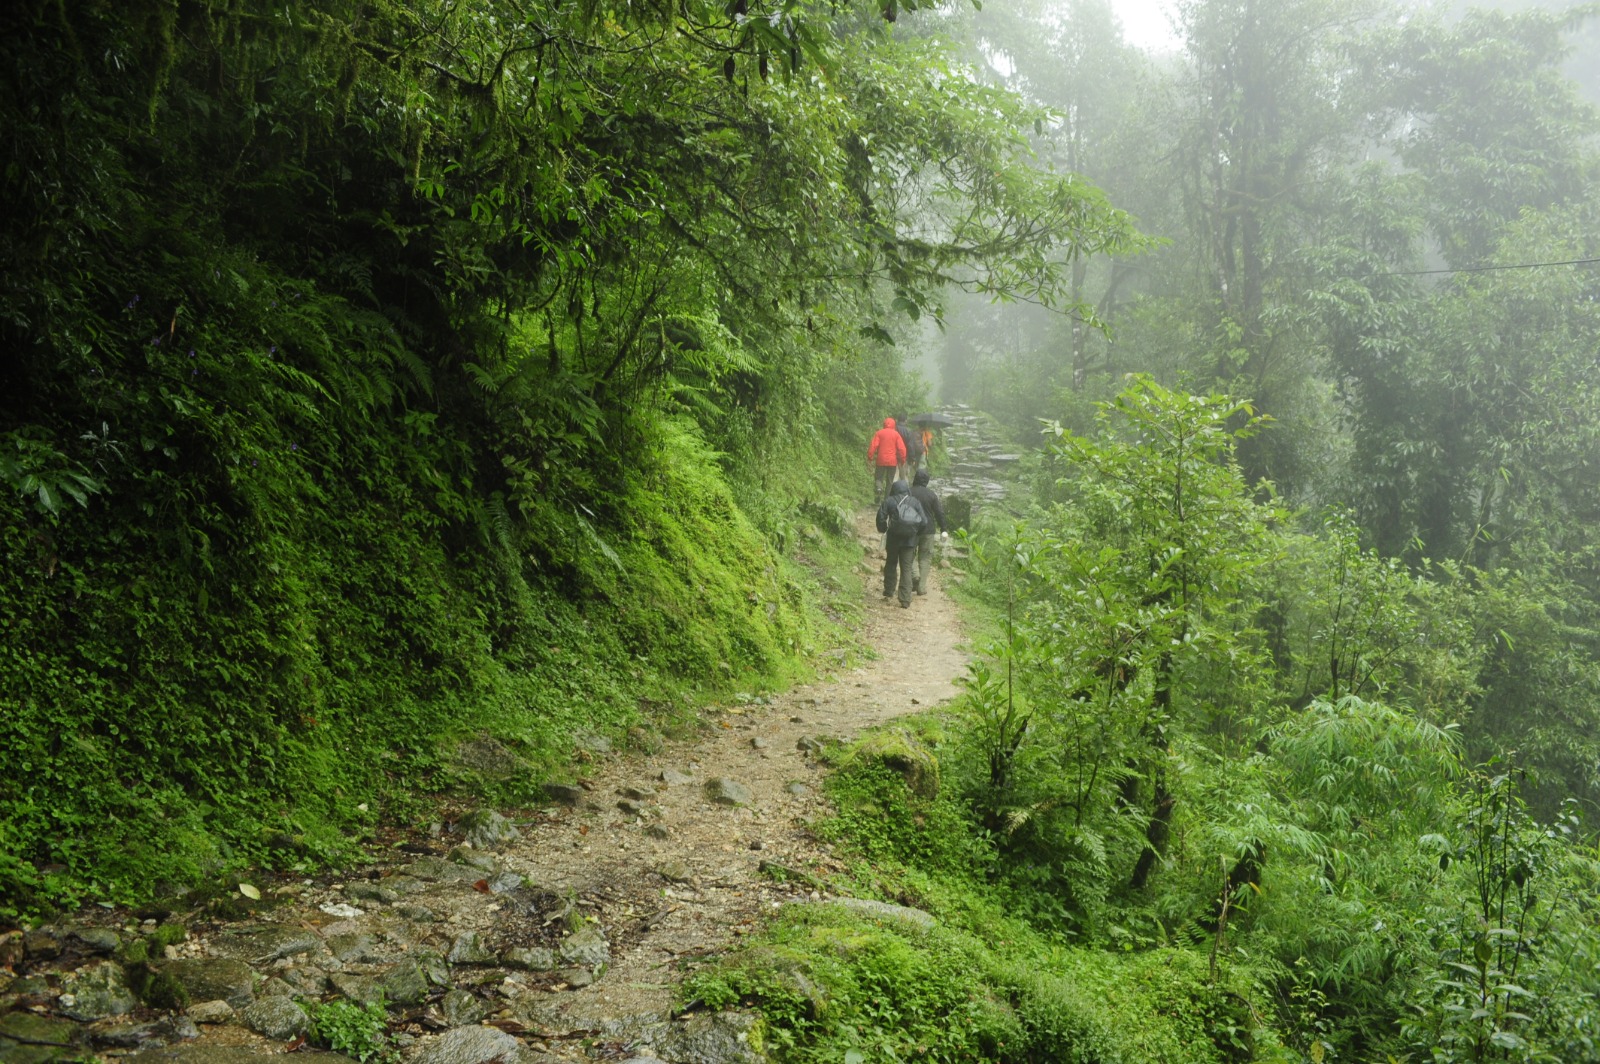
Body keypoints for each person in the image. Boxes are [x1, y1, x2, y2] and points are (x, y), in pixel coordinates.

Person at [875, 478, 927, 608]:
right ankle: (905, 599)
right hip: (909, 542)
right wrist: (915, 533)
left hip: (893, 539)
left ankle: (889, 590)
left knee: (891, 563)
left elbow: (881, 517)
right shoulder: (915, 502)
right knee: (906, 568)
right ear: (906, 489)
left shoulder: (889, 501)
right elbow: (924, 521)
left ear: (894, 489)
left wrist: (883, 529)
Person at [908, 468, 948, 595]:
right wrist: (943, 529)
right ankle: (921, 587)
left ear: (915, 478)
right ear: (927, 481)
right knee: (925, 557)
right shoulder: (932, 495)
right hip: (928, 530)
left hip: (911, 529)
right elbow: (939, 513)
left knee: (909, 553)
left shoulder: (908, 492)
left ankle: (915, 574)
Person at [867, 417, 906, 504]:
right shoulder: (896, 434)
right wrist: (902, 460)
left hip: (881, 460)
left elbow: (873, 446)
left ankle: (879, 488)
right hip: (892, 461)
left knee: (878, 478)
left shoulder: (879, 433)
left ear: (884, 424)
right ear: (894, 425)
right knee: (890, 481)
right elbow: (902, 449)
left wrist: (870, 457)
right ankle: (886, 500)